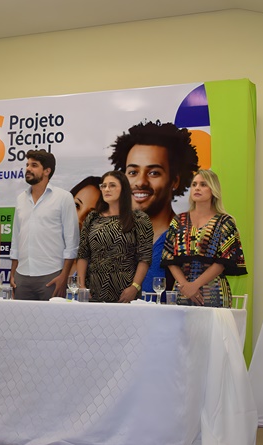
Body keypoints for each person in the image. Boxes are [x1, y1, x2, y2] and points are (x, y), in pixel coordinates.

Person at [109, 121, 199, 299]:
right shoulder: (114, 232)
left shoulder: (186, 234)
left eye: (153, 173)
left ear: (175, 181)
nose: (141, 182)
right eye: (133, 172)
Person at [162, 169, 247, 307]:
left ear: (213, 189)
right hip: (182, 292)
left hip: (215, 293)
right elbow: (168, 257)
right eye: (194, 184)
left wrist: (195, 285)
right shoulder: (178, 221)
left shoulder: (225, 222)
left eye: (203, 184)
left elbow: (224, 260)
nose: (197, 188)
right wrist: (185, 286)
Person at [10, 149, 79, 300]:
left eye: (34, 165)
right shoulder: (21, 199)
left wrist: (64, 276)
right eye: (27, 165)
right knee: (21, 316)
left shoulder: (64, 198)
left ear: (47, 171)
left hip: (52, 275)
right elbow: (16, 239)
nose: (28, 168)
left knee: (52, 316)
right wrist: (13, 273)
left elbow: (72, 243)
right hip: (22, 276)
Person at [77, 171, 153, 303]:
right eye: (103, 186)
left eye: (112, 185)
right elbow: (83, 254)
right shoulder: (93, 218)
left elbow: (144, 257)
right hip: (93, 291)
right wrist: (82, 286)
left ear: (123, 189)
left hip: (126, 291)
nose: (106, 189)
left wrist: (134, 287)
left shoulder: (139, 218)